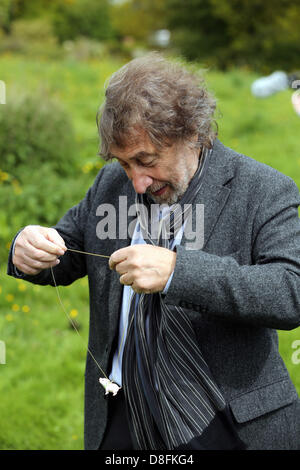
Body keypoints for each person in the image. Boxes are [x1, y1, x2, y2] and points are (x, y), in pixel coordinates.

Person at [7, 53, 300, 450]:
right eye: (125, 163)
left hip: (227, 422)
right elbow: (68, 248)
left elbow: (290, 290)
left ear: (193, 132)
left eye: (146, 161)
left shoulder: (263, 189)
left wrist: (179, 273)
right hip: (125, 418)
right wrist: (28, 249)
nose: (137, 182)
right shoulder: (113, 183)